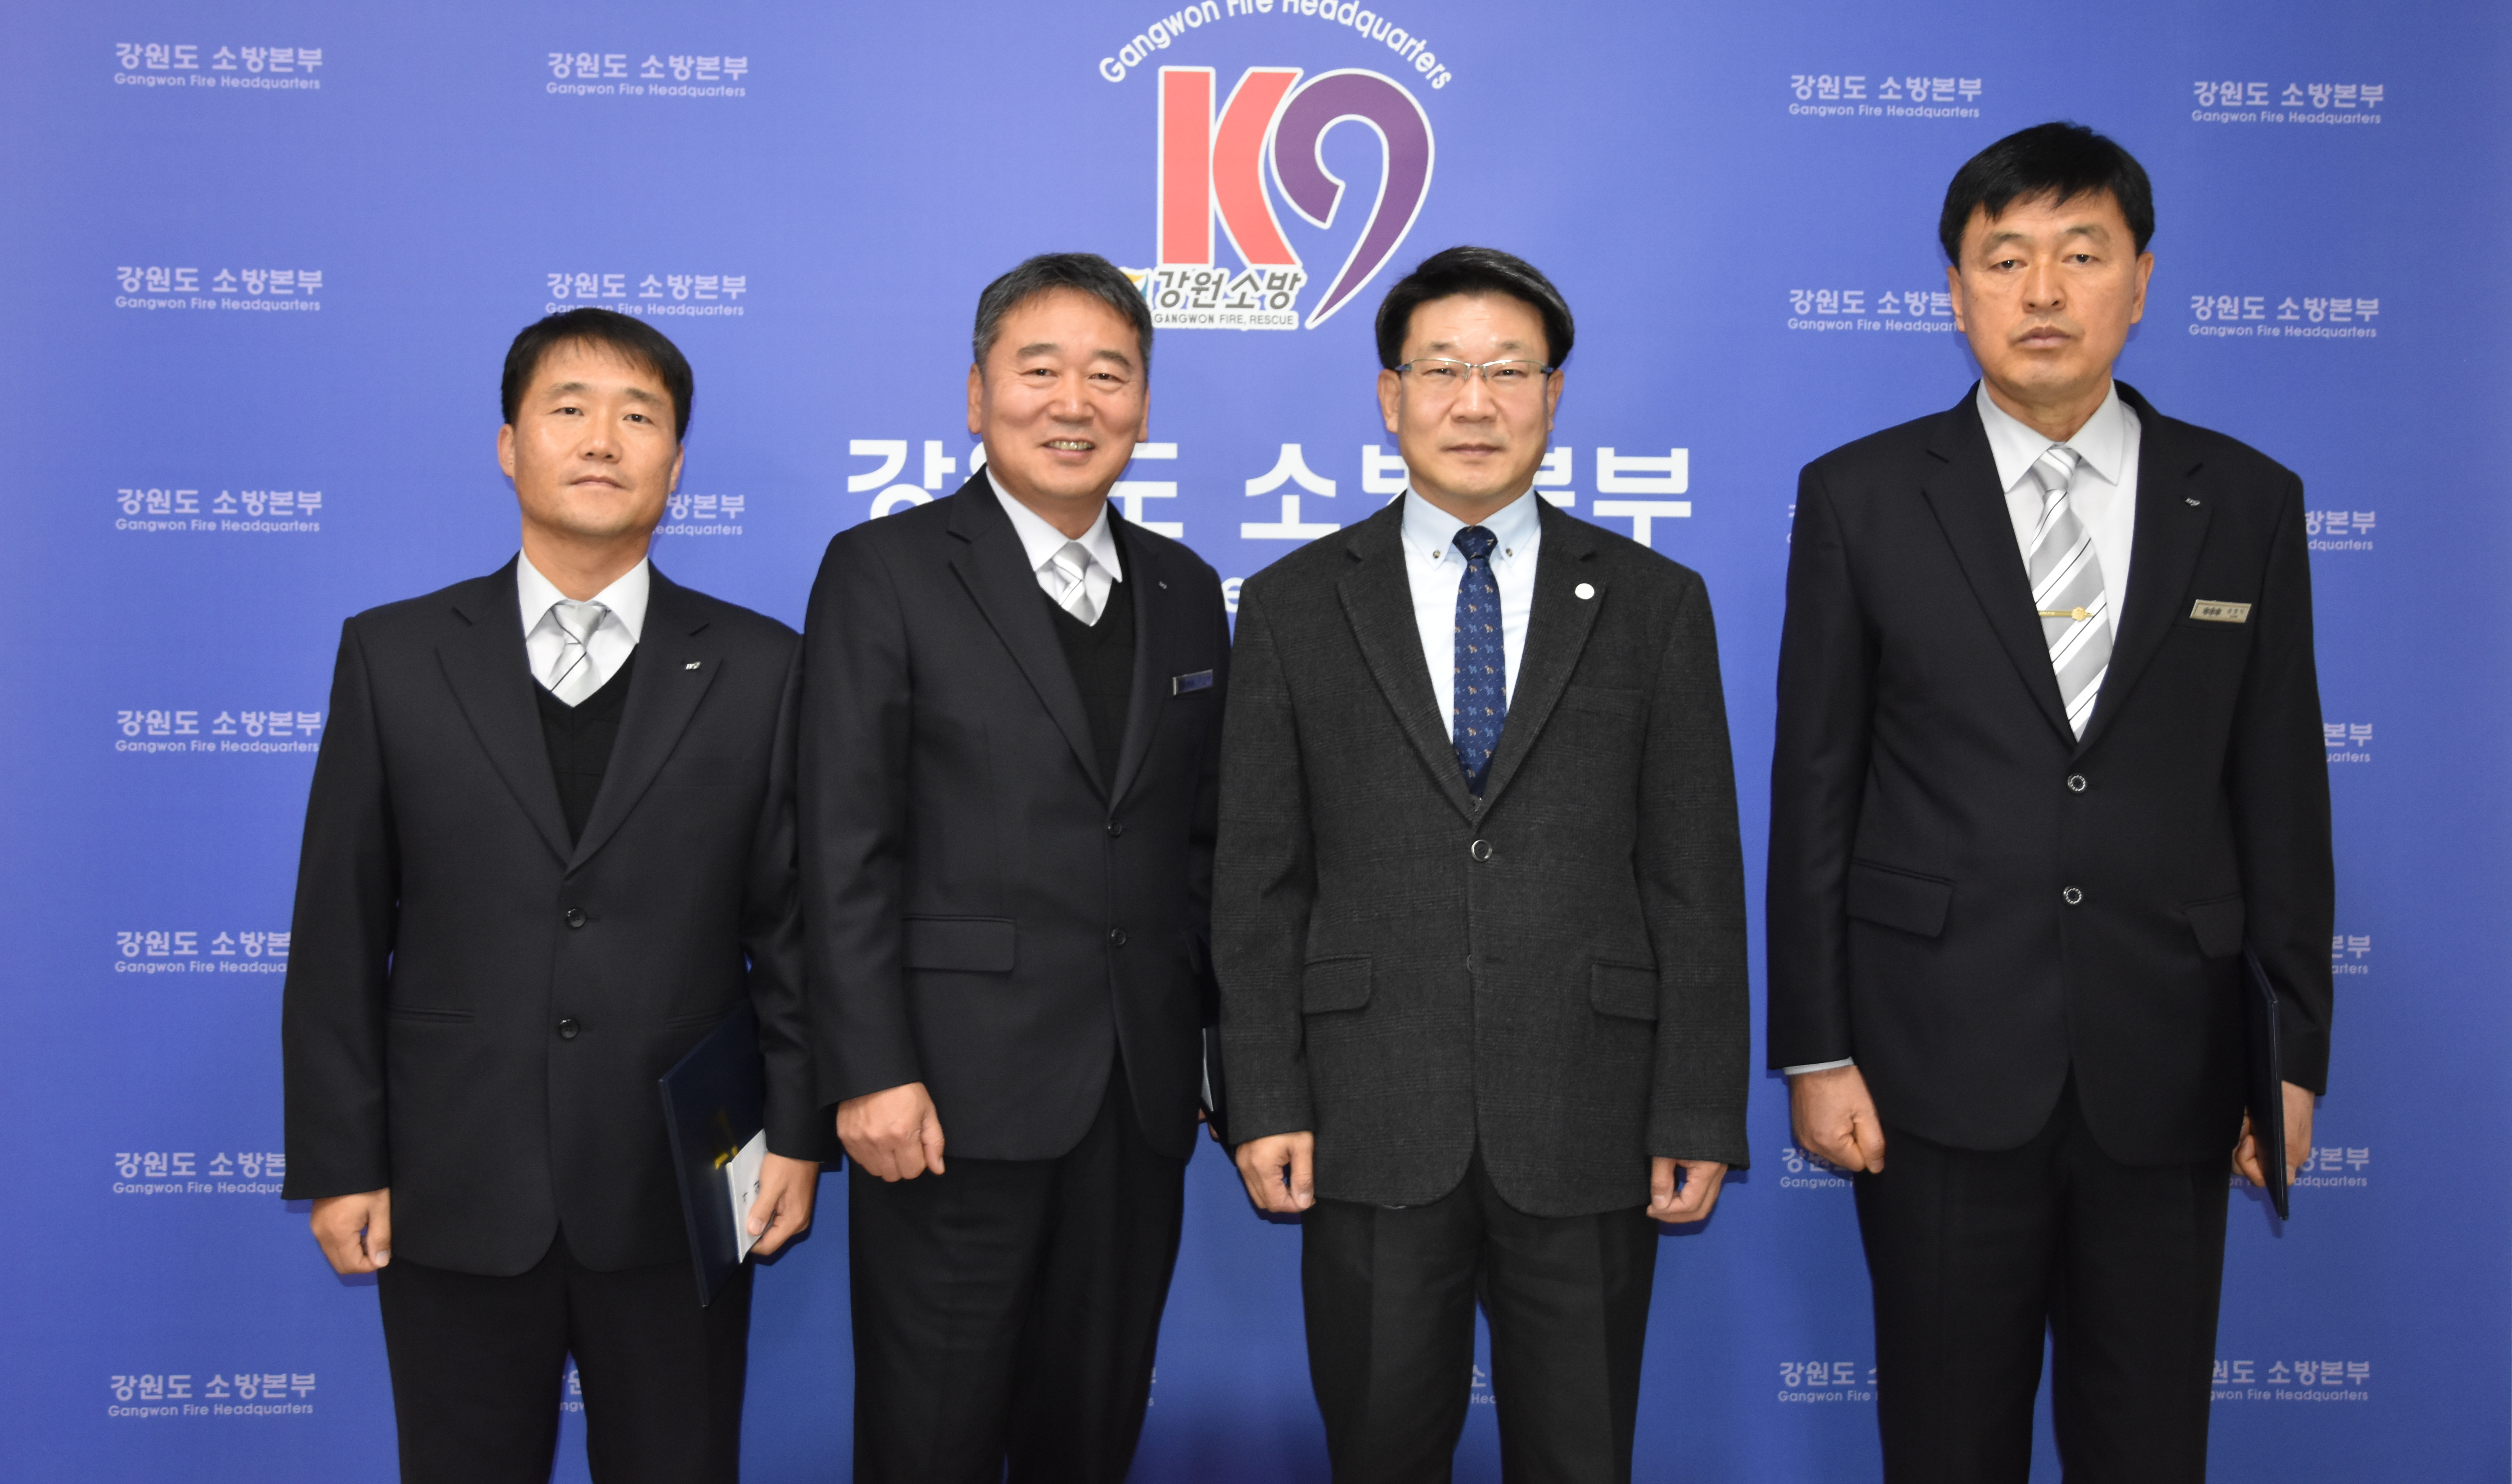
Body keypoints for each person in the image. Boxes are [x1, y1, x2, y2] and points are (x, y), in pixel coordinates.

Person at [1766, 122, 2334, 1482]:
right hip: (1932, 1063)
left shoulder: (2245, 500)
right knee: (1946, 1444)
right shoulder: (1861, 497)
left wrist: (2294, 1052)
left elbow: (2282, 790)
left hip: (2174, 1064)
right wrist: (1816, 1050)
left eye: (2082, 255)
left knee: (2149, 1446)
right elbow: (1816, 787)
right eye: (2004, 257)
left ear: (2141, 282)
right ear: (1954, 291)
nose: (2042, 292)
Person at [1213, 245, 1751, 1483]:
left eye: (1508, 371)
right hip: (1369, 1117)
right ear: (1389, 395)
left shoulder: (1654, 603)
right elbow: (1257, 884)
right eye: (1441, 369)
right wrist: (1266, 1097)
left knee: (1581, 1455)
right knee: (1380, 1452)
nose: (1475, 402)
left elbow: (1695, 881)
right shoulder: (1295, 604)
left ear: (1553, 396)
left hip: (1589, 1116)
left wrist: (1694, 1108)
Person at [280, 309, 822, 1483]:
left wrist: (795, 1134)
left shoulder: (763, 666)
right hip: (453, 1175)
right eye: (568, 409)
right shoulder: (395, 656)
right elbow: (338, 931)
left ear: (676, 464)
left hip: (685, 1176)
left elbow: (792, 930)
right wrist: (341, 1159)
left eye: (640, 416)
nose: (602, 439)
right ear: (509, 446)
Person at [800, 252, 1229, 1483]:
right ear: (977, 394)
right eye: (1039, 370)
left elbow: (1206, 852)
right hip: (945, 1105)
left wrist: (1224, 1067)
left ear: (1143, 404)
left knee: (1089, 1436)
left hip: (1137, 1101)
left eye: (1110, 374)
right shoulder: (884, 570)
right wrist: (870, 1070)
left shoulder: (1186, 588)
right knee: (929, 1437)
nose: (1074, 402)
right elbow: (842, 843)